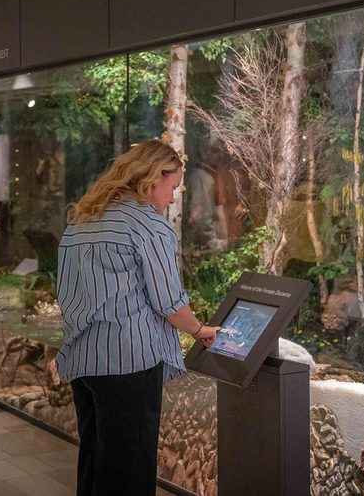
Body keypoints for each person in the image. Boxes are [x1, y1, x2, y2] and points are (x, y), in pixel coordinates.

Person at [55, 139, 220, 496]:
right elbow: (169, 302)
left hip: (84, 359)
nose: (172, 198)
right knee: (129, 469)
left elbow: (65, 293)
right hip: (128, 363)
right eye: (173, 187)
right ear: (153, 178)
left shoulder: (83, 220)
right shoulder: (148, 226)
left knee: (96, 460)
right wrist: (199, 329)